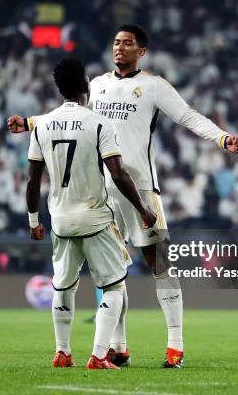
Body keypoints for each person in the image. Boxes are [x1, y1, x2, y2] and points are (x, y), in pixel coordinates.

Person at [9, 24, 238, 368]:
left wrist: (221, 138)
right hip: (101, 190)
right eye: (116, 42)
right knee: (111, 271)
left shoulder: (152, 86)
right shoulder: (97, 85)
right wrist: (29, 122)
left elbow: (187, 115)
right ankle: (118, 347)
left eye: (128, 43)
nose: (120, 48)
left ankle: (175, 345)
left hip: (140, 186)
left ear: (141, 51)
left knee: (159, 262)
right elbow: (70, 115)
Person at [26, 58, 156, 369]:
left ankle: (62, 352)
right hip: (95, 217)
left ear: (59, 88)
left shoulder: (42, 125)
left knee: (63, 285)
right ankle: (98, 355)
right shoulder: (99, 123)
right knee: (114, 285)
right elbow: (119, 174)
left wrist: (34, 220)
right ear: (86, 85)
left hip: (60, 220)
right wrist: (143, 208)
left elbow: (33, 180)